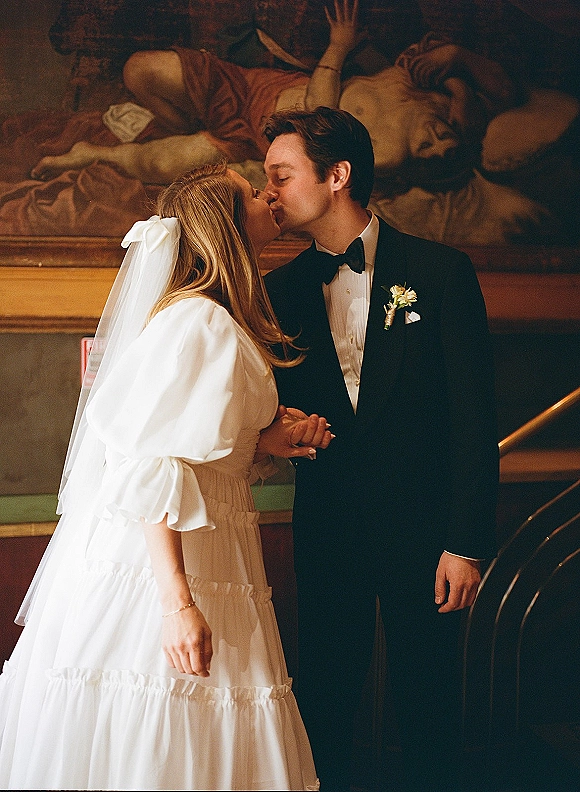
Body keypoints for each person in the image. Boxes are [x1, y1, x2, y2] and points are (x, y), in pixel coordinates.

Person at [0, 161, 333, 791]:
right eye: (251, 194)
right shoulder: (199, 323)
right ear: (226, 227)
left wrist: (267, 438)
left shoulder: (212, 319)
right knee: (155, 716)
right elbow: (151, 465)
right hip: (172, 562)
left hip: (217, 548)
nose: (268, 197)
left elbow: (201, 446)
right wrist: (178, 604)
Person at [262, 106, 499, 792]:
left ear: (336, 176)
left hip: (429, 540)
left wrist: (467, 542)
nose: (270, 191)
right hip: (328, 531)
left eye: (280, 175)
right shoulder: (277, 292)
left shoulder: (441, 273)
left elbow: (473, 420)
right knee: (325, 704)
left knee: (429, 706)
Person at [31, 1, 516, 189]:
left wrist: (338, 48)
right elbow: (506, 90)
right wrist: (458, 60)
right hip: (253, 88)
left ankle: (87, 154)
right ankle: (186, 123)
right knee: (140, 70)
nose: (432, 141)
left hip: (264, 137)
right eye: (443, 136)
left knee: (158, 167)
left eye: (432, 151)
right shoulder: (421, 82)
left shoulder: (387, 154)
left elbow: (321, 114)